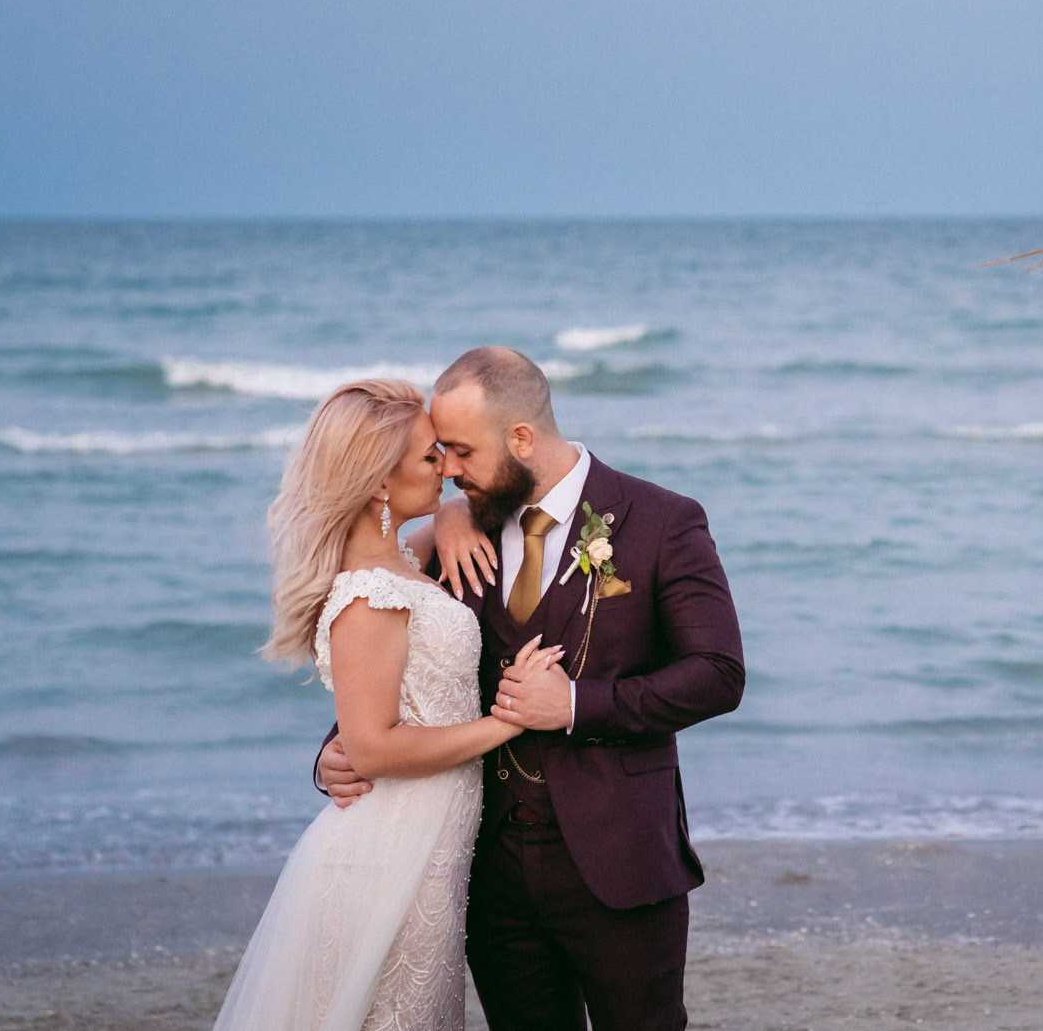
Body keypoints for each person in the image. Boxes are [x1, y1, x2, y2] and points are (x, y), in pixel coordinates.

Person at [317, 346, 745, 1031]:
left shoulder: (663, 521)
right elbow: (402, 654)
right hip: (487, 870)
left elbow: (718, 673)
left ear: (521, 437)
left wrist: (574, 703)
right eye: (440, 454)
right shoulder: (460, 527)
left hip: (621, 860)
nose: (449, 471)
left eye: (459, 450)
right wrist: (339, 749)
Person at [215, 378, 565, 1030]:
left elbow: (448, 521)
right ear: (380, 480)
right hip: (388, 849)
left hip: (430, 847)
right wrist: (506, 721)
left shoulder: (404, 557)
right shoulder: (370, 594)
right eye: (432, 458)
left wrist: (457, 512)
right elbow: (373, 745)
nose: (449, 469)